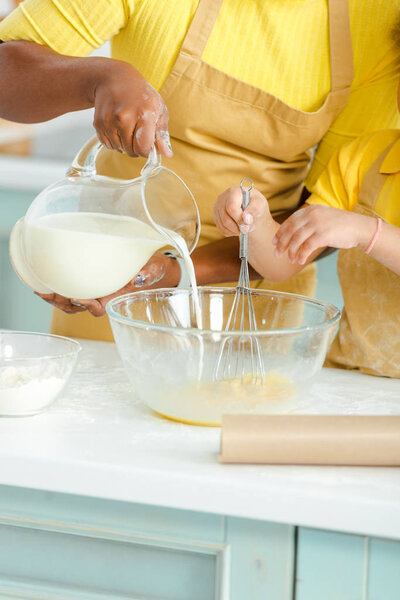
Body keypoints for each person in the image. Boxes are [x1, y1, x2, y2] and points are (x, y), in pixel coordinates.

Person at [0, 0, 400, 342]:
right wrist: (99, 77)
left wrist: (171, 273)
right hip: (110, 283)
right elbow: (8, 64)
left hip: (253, 304)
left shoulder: (376, 16)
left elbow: (332, 207)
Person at [214, 119, 400, 376]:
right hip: (350, 375)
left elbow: (365, 232)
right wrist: (255, 220)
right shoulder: (365, 157)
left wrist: (367, 232)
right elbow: (283, 261)